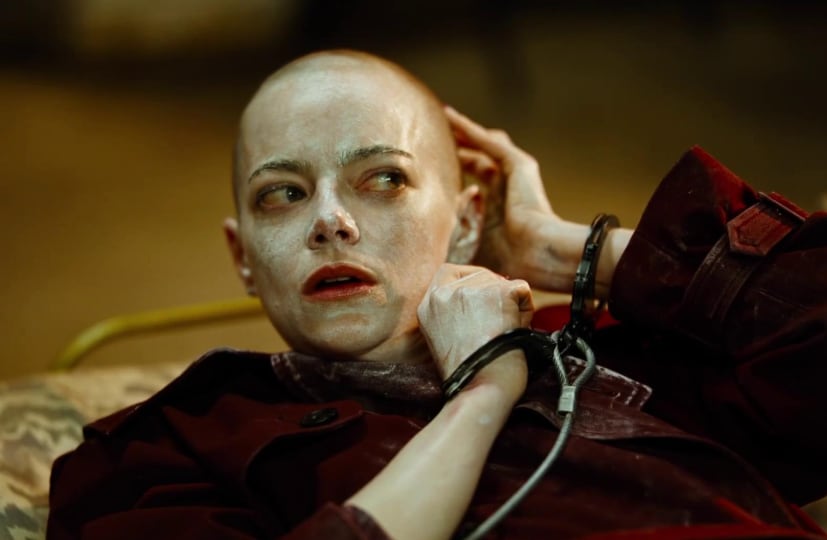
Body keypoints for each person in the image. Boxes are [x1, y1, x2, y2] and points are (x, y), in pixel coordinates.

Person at [47, 50, 827, 539]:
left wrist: (565, 251)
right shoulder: (164, 451)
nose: (330, 221)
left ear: (464, 221)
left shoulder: (595, 350)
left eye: (383, 179)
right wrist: (482, 395)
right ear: (241, 255)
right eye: (282, 194)